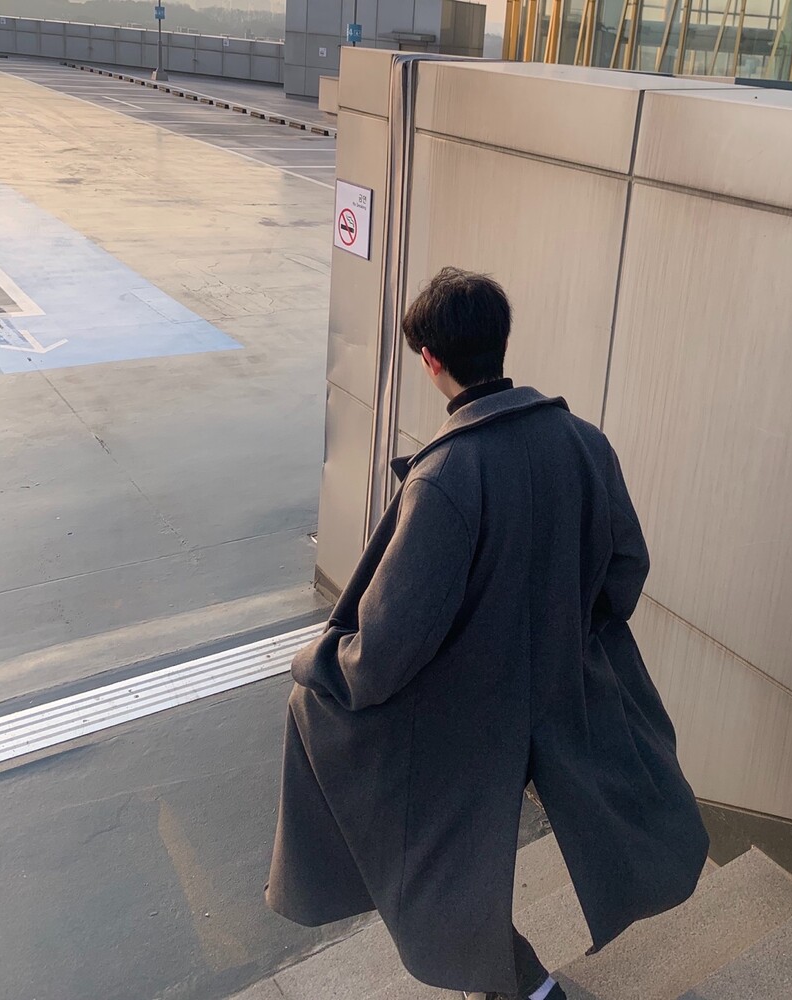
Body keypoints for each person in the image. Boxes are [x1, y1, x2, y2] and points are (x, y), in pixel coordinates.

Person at [266, 268, 710, 999]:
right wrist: (564, 629)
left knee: (434, 846)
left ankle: (520, 983)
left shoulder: (447, 476)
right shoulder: (584, 443)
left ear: (430, 360)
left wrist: (321, 664)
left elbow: (386, 645)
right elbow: (626, 569)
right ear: (501, 343)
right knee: (546, 834)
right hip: (565, 687)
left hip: (470, 709)